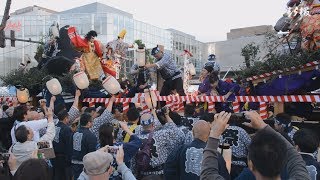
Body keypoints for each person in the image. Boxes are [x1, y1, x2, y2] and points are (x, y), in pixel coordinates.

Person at [200, 111, 310, 180]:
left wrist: (214, 134)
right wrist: (263, 126)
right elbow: (294, 156)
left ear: (251, 164)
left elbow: (208, 173)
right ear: (283, 162)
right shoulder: (299, 175)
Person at [165, 120, 230, 180]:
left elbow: (169, 169)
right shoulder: (214, 154)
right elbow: (224, 175)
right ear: (209, 135)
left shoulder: (180, 149)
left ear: (193, 132)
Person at [135, 108, 185, 178]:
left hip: (143, 175)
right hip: (160, 173)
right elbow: (178, 133)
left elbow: (133, 162)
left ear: (141, 125)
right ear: (153, 124)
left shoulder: (136, 139)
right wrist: (166, 115)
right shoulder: (161, 135)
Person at [11, 107, 55, 175]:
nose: (32, 131)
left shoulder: (13, 147)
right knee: (46, 155)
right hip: (34, 173)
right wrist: (50, 116)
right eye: (30, 129)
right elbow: (50, 135)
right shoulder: (34, 146)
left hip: (19, 174)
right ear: (28, 136)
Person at [219, 115, 251, 179]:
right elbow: (251, 146)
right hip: (239, 165)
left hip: (223, 165)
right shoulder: (241, 131)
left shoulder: (220, 131)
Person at [71, 113, 98, 179]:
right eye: (92, 121)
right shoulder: (91, 136)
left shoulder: (74, 133)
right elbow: (92, 154)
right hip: (85, 165)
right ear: (88, 123)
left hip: (73, 163)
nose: (92, 123)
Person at [52, 110, 73, 180]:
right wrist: (69, 159)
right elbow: (69, 145)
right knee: (65, 177)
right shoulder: (66, 129)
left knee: (57, 176)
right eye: (68, 118)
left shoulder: (54, 127)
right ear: (66, 118)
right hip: (64, 158)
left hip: (54, 156)